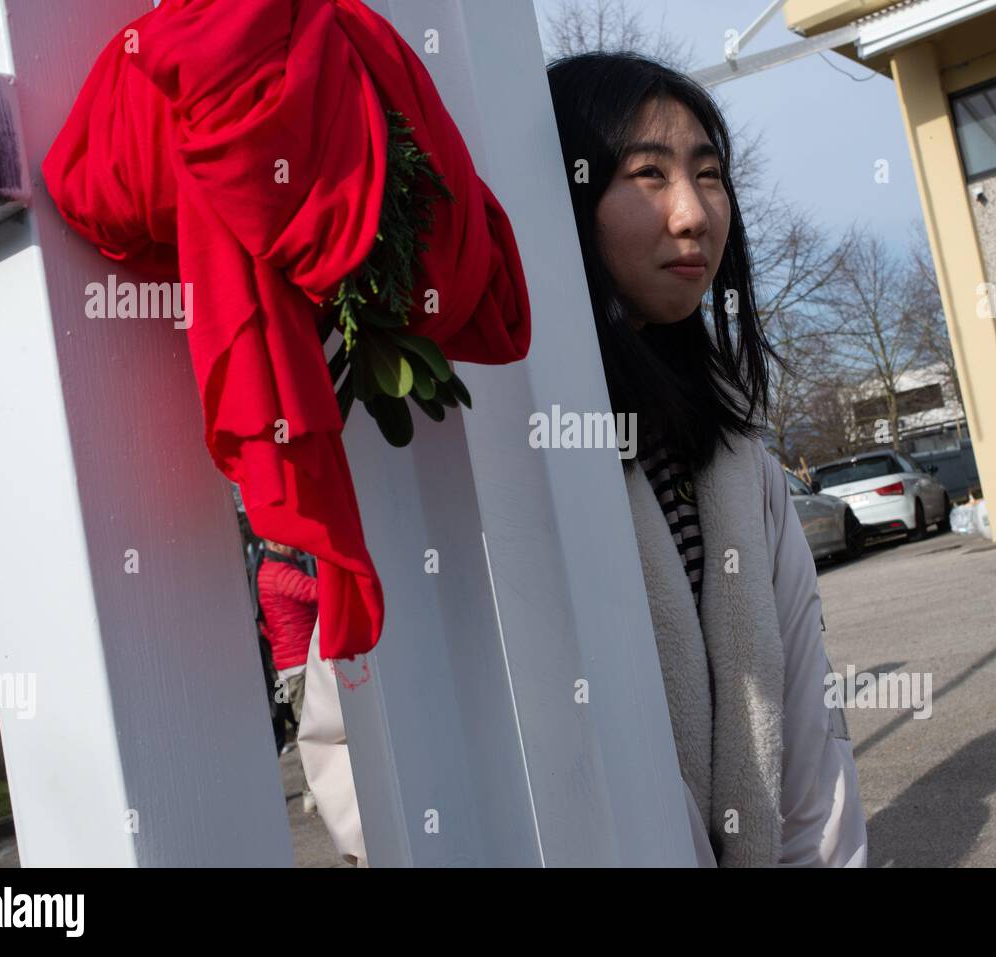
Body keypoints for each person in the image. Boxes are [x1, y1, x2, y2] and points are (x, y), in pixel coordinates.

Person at [299, 51, 867, 868]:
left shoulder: (738, 456)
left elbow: (809, 734)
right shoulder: (481, 447)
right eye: (647, 174)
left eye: (709, 176)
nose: (693, 214)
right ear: (566, 193)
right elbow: (349, 731)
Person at [256, 538, 320, 813]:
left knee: (299, 726)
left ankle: (312, 790)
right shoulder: (280, 574)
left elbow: (266, 627)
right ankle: (312, 791)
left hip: (285, 667)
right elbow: (314, 592)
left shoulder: (265, 573)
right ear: (275, 545)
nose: (295, 546)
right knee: (311, 729)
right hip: (300, 666)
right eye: (289, 543)